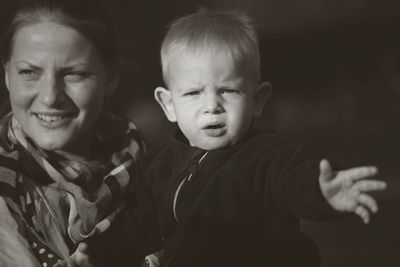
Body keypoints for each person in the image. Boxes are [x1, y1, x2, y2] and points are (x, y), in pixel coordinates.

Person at [130, 9, 387, 267]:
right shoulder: (155, 167)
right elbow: (136, 231)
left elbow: (295, 180)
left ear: (257, 99)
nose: (212, 105)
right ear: (168, 104)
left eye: (228, 90)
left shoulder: (266, 157)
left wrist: (321, 192)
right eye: (193, 93)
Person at [0, 0, 145, 266]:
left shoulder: (159, 174)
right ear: (7, 75)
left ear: (111, 77)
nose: (50, 97)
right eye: (29, 72)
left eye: (74, 74)